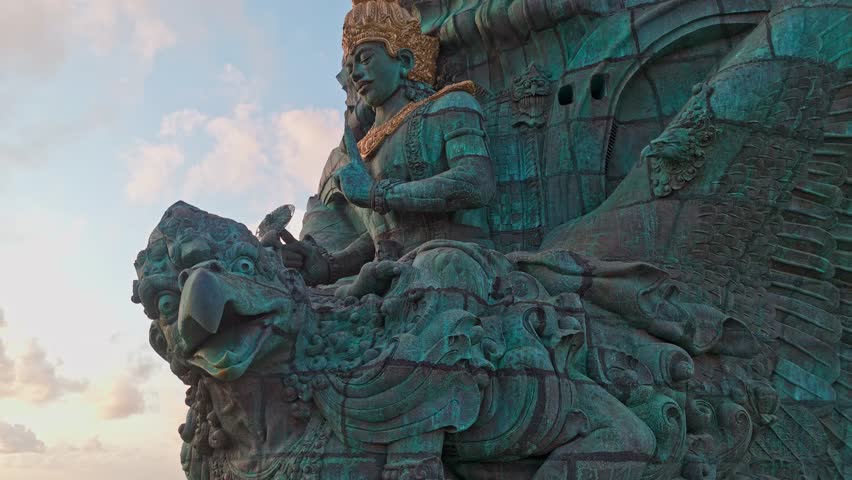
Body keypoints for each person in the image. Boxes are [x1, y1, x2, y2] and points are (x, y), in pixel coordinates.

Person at [279, 0, 496, 287]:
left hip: (454, 262)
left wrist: (377, 195)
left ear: (404, 61)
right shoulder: (363, 148)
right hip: (388, 272)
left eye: (365, 59)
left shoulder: (451, 106)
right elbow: (384, 237)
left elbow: (475, 182)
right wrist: (330, 265)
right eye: (350, 65)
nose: (355, 73)